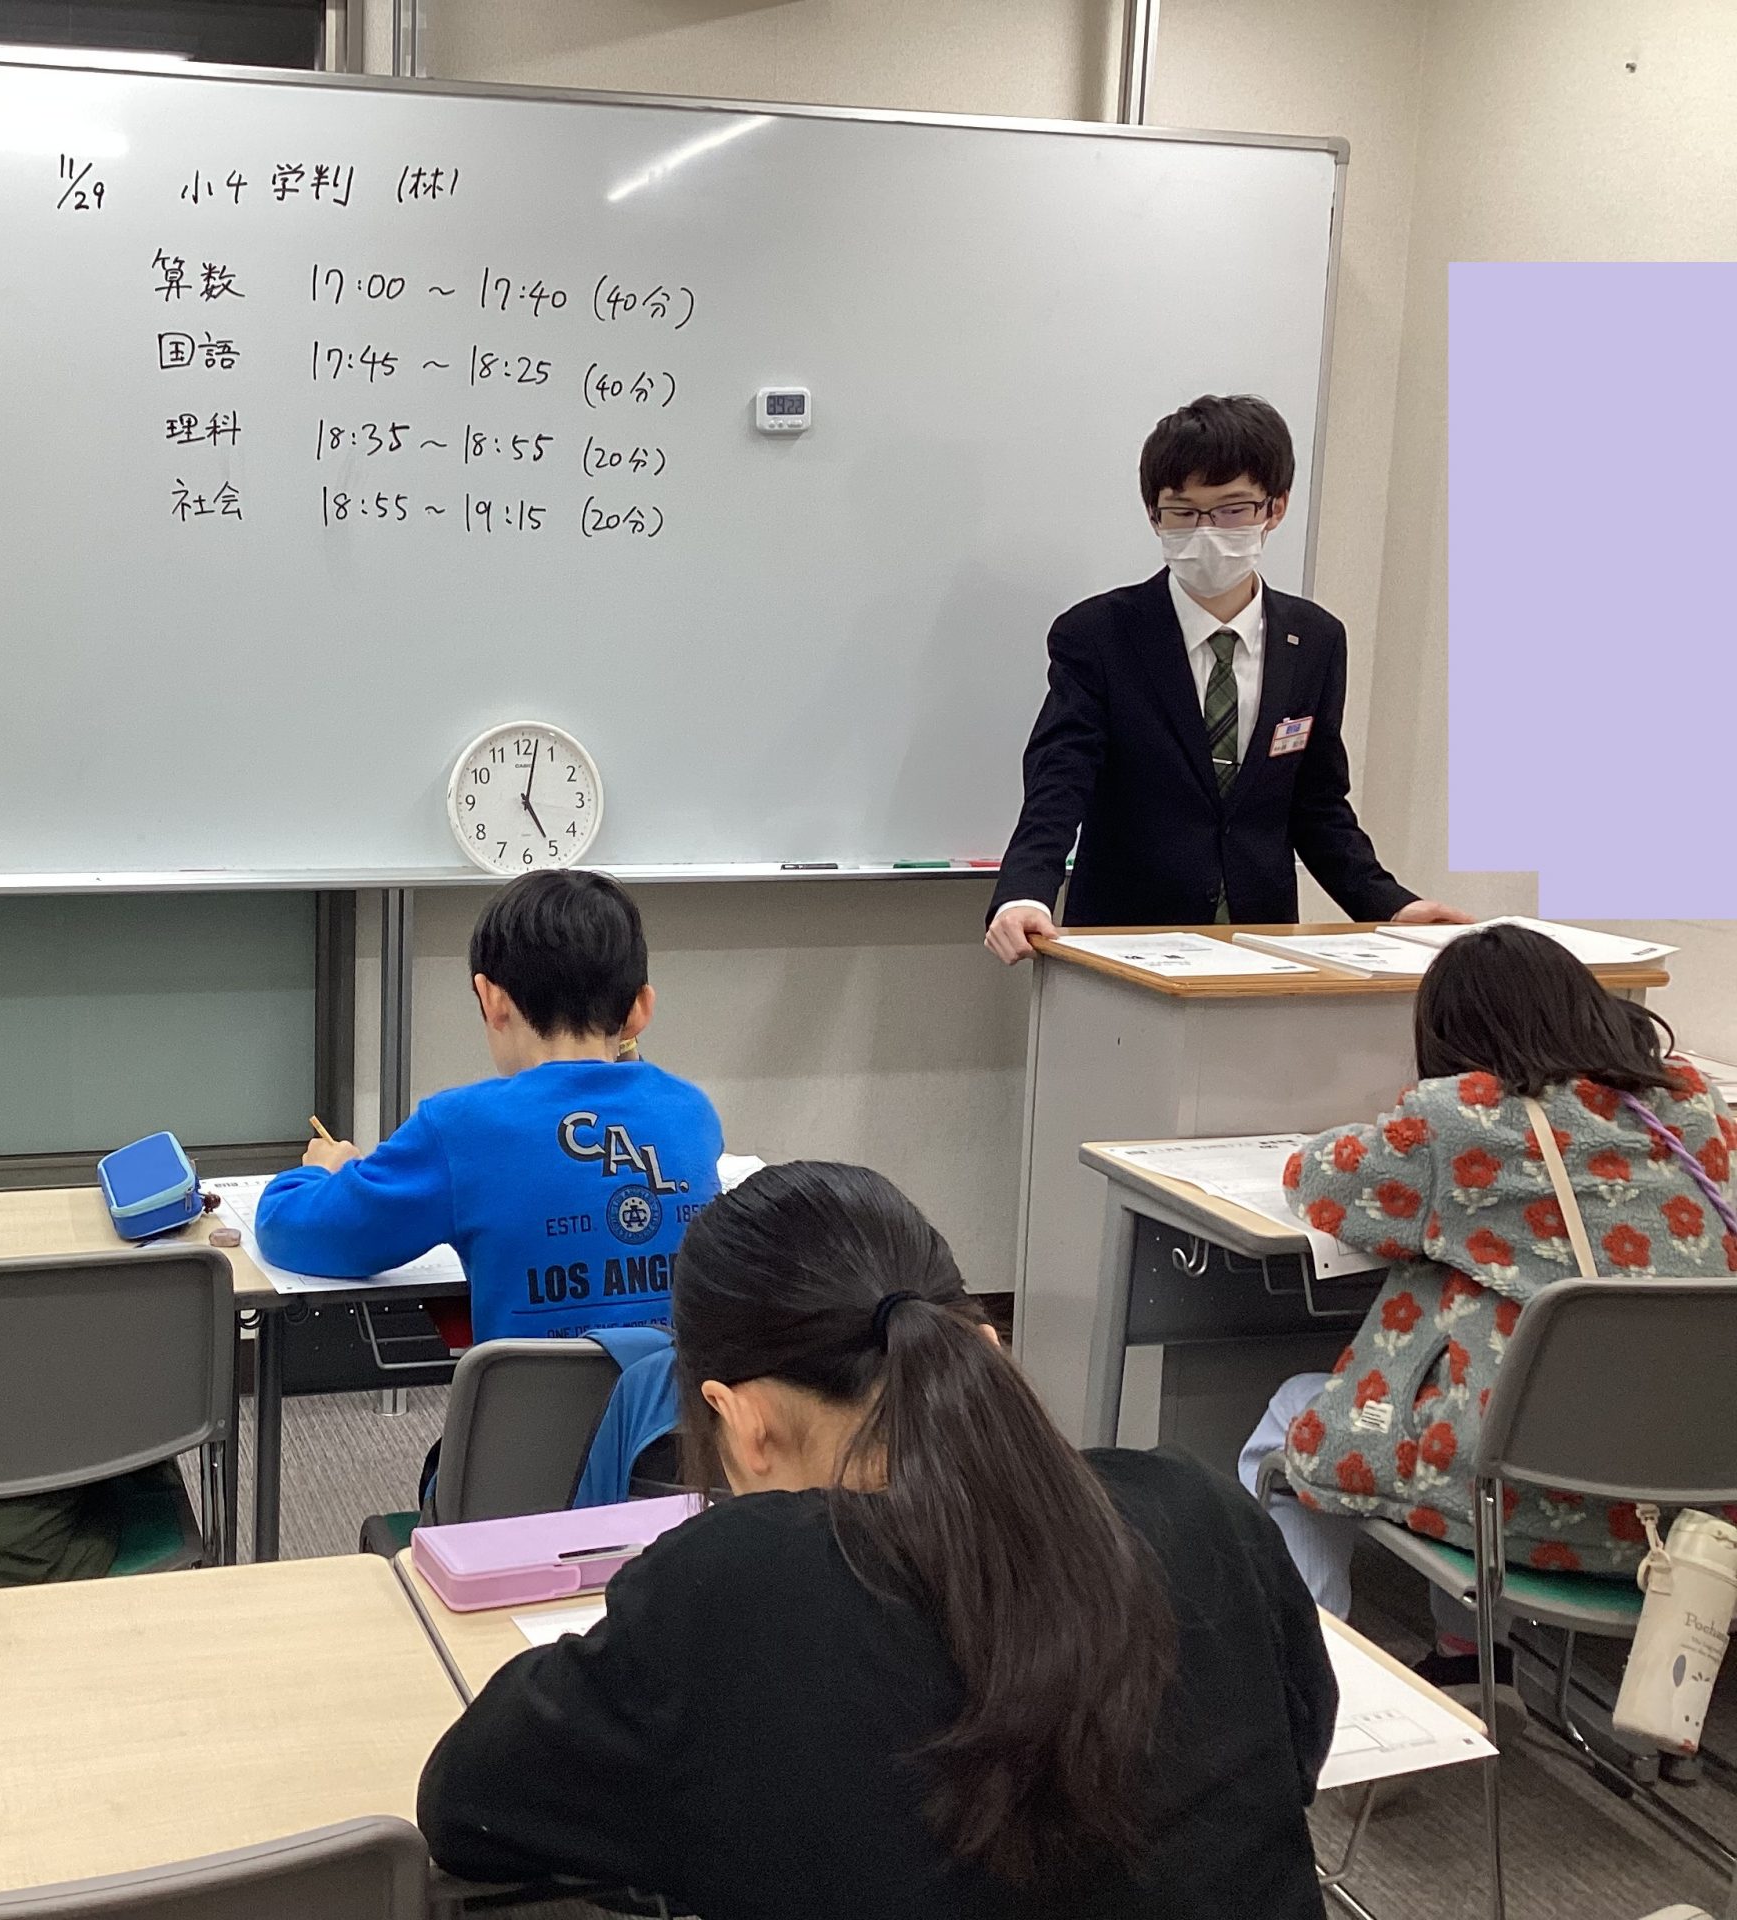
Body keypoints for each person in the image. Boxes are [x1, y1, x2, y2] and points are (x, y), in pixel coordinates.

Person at [421, 1163, 1336, 1920]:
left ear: (741, 1422)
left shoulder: (736, 1589)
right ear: (986, 1345)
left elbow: (466, 1803)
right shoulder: (1201, 1506)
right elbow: (1298, 1750)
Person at [1245, 924, 1737, 1657]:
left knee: (1298, 1419)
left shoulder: (1463, 1118)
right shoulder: (1693, 1109)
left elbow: (1318, 1182)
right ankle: (1468, 1660)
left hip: (1524, 1505)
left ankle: (1319, 1672)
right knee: (1476, 1372)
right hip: (1698, 1510)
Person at [985, 394, 1465, 963]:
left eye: (1233, 509)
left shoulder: (1315, 640)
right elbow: (1059, 780)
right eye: (1183, 512)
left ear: (1275, 507)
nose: (1207, 531)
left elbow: (1317, 806)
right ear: (1153, 514)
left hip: (1260, 944)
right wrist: (1025, 892)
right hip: (1125, 944)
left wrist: (1392, 907)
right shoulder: (1099, 635)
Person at [256, 868, 724, 1346]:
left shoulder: (460, 1128)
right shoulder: (691, 1112)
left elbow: (290, 1230)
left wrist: (319, 1172)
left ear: (492, 998)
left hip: (530, 1400)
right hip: (682, 1397)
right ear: (641, 1008)